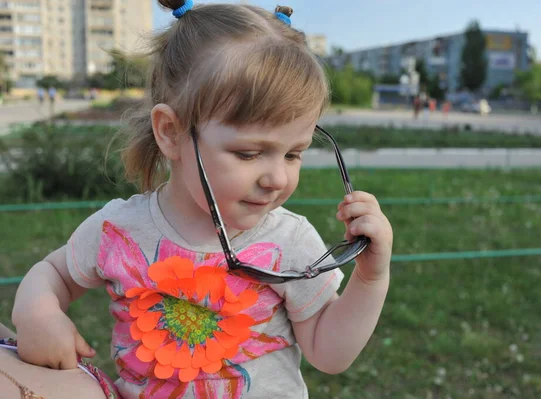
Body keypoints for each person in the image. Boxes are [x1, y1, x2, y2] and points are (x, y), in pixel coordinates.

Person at [1, 2, 393, 399]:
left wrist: (370, 279)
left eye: (293, 153)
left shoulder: (288, 242)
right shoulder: (120, 230)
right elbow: (52, 274)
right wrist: (37, 311)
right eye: (249, 153)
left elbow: (329, 354)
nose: (277, 178)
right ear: (170, 132)